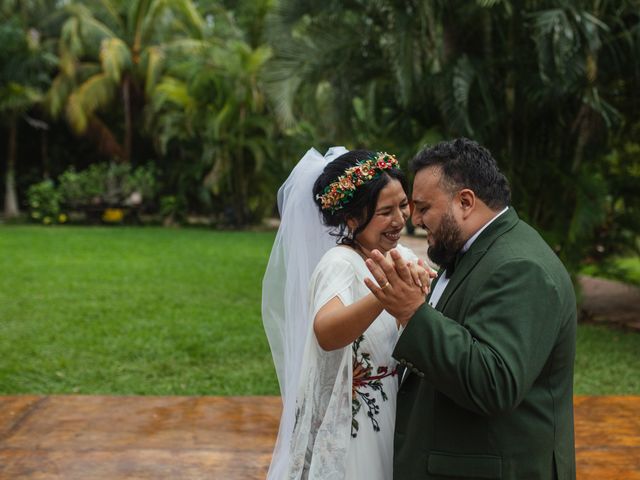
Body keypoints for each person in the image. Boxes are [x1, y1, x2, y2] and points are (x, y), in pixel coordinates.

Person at [364, 138, 577, 479]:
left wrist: (413, 314)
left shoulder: (520, 267)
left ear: (465, 201)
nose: (414, 219)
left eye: (423, 207)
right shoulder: (471, 251)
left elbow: (494, 383)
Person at [262, 147, 432, 479]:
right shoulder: (340, 263)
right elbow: (326, 332)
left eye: (402, 206)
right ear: (352, 218)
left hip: (397, 410)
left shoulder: (401, 255)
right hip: (358, 432)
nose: (400, 220)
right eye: (385, 212)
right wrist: (387, 294)